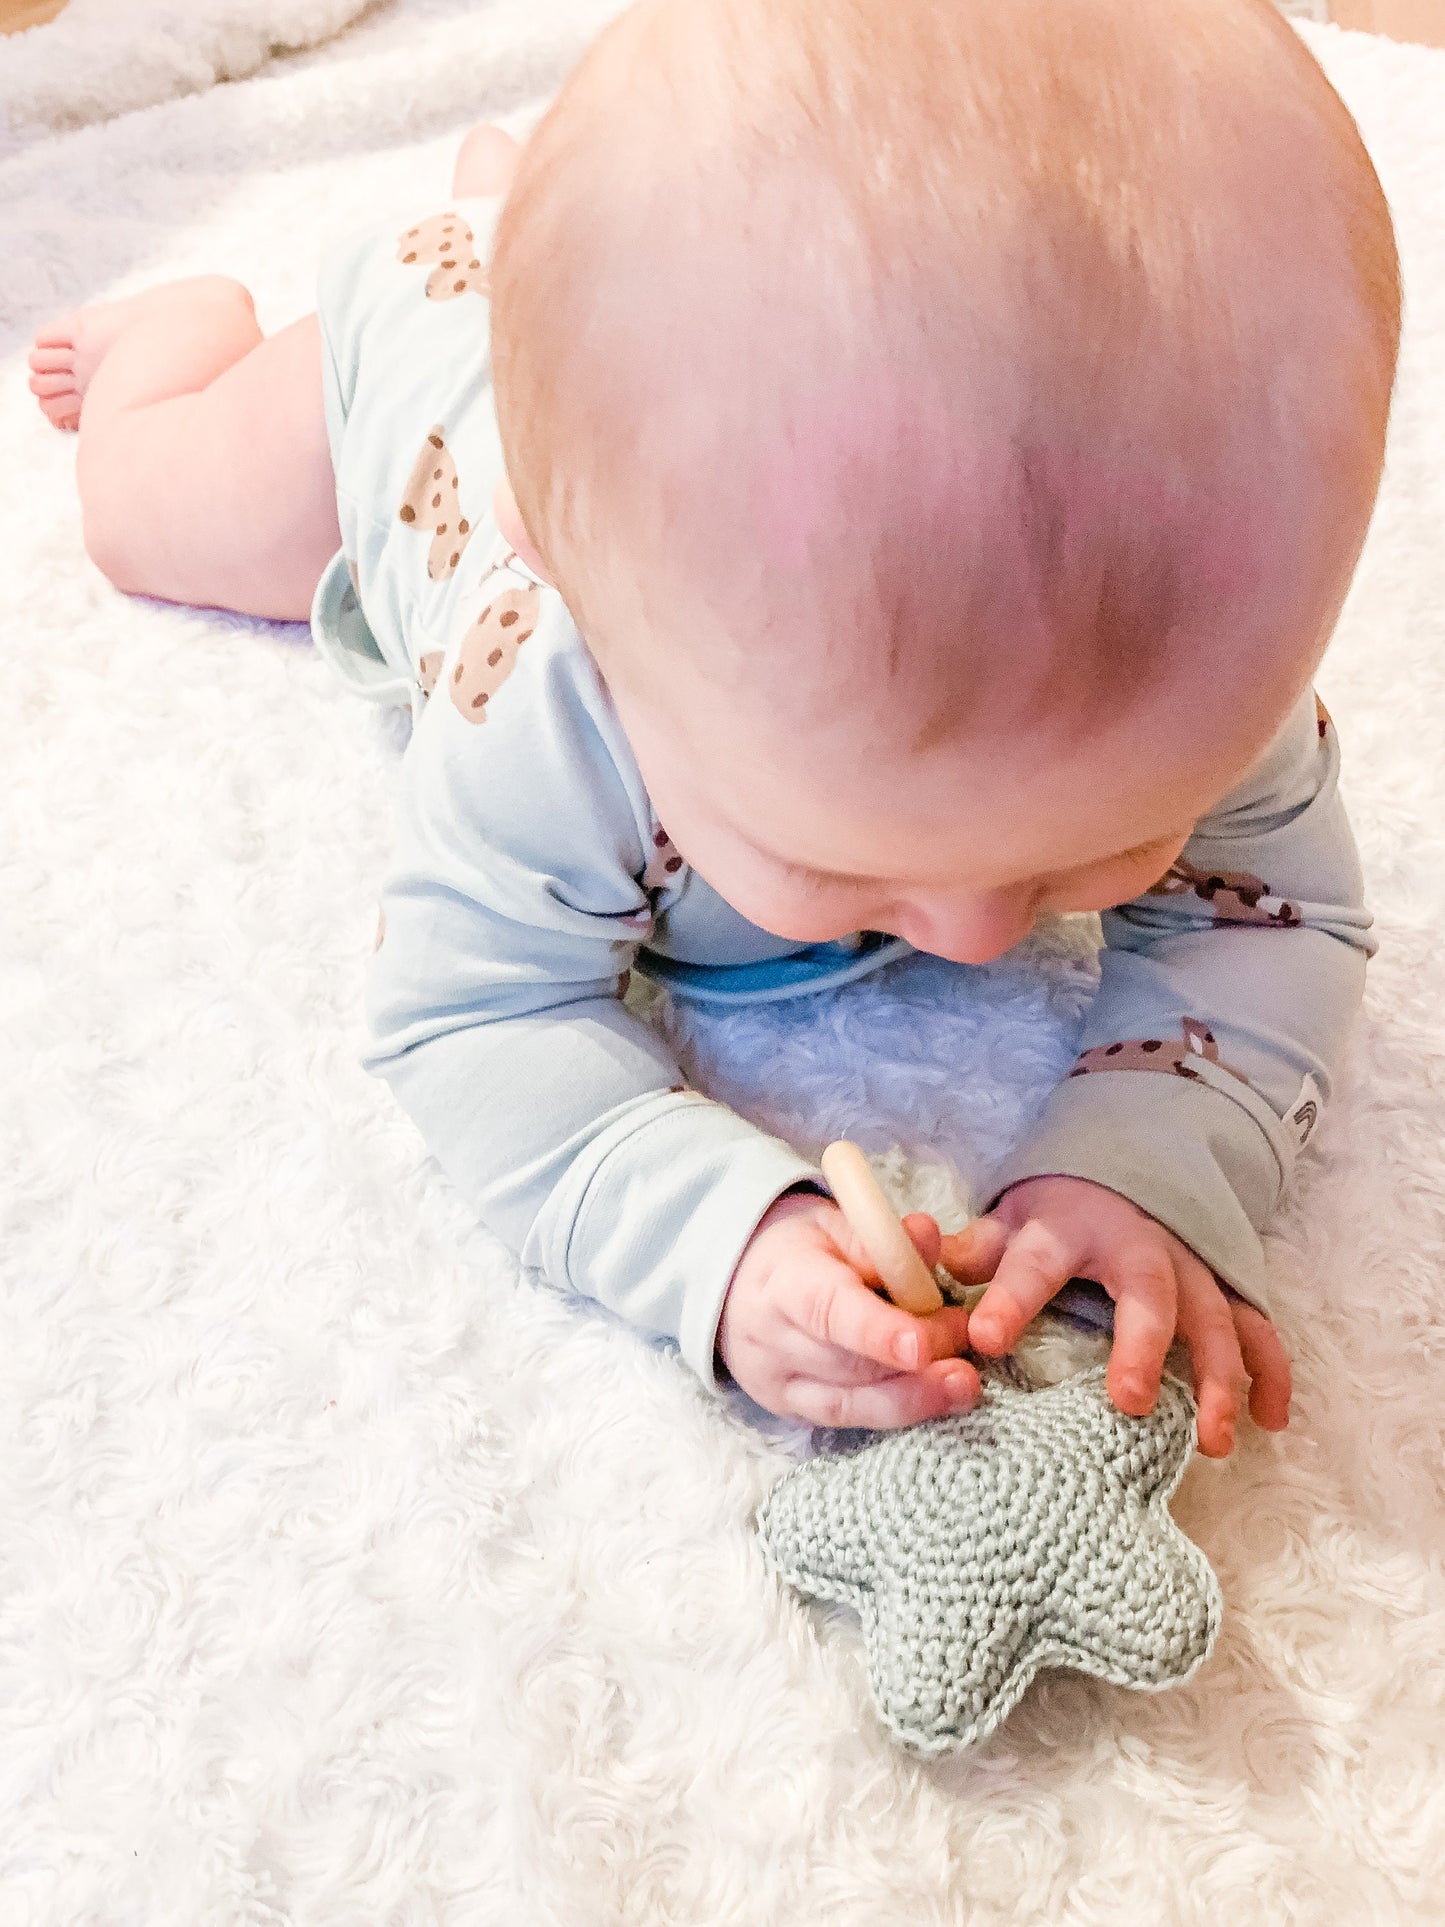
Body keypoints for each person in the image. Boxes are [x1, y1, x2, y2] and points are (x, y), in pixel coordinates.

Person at [29, 0, 1400, 1456]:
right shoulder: (552, 724)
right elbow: (473, 1017)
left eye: (1111, 843)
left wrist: (1146, 1163)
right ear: (583, 598)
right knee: (154, 518)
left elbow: (1277, 920)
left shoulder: (1185, 663)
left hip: (636, 381)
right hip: (413, 380)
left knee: (636, 291)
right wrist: (721, 1239)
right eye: (839, 859)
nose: (982, 934)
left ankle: (525, 203)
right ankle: (178, 341)